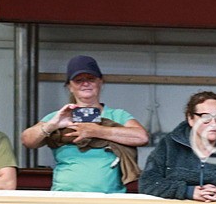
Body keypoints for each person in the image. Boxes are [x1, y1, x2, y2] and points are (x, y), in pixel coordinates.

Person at [20, 55, 148, 193]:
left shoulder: (117, 115)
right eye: (78, 80)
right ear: (70, 86)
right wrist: (52, 125)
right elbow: (27, 140)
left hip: (109, 196)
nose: (85, 84)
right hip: (65, 195)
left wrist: (96, 131)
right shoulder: (59, 116)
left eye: (91, 79)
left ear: (101, 82)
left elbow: (142, 137)